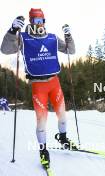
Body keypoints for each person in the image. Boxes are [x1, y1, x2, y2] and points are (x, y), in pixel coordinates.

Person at [0, 8, 77, 168]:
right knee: (41, 122)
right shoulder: (23, 38)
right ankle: (43, 151)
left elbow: (71, 50)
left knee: (62, 116)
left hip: (54, 83)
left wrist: (68, 35)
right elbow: (5, 49)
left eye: (41, 20)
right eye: (36, 21)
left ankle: (62, 138)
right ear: (31, 21)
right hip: (38, 86)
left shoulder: (52, 38)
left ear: (44, 21)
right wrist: (13, 30)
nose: (39, 23)